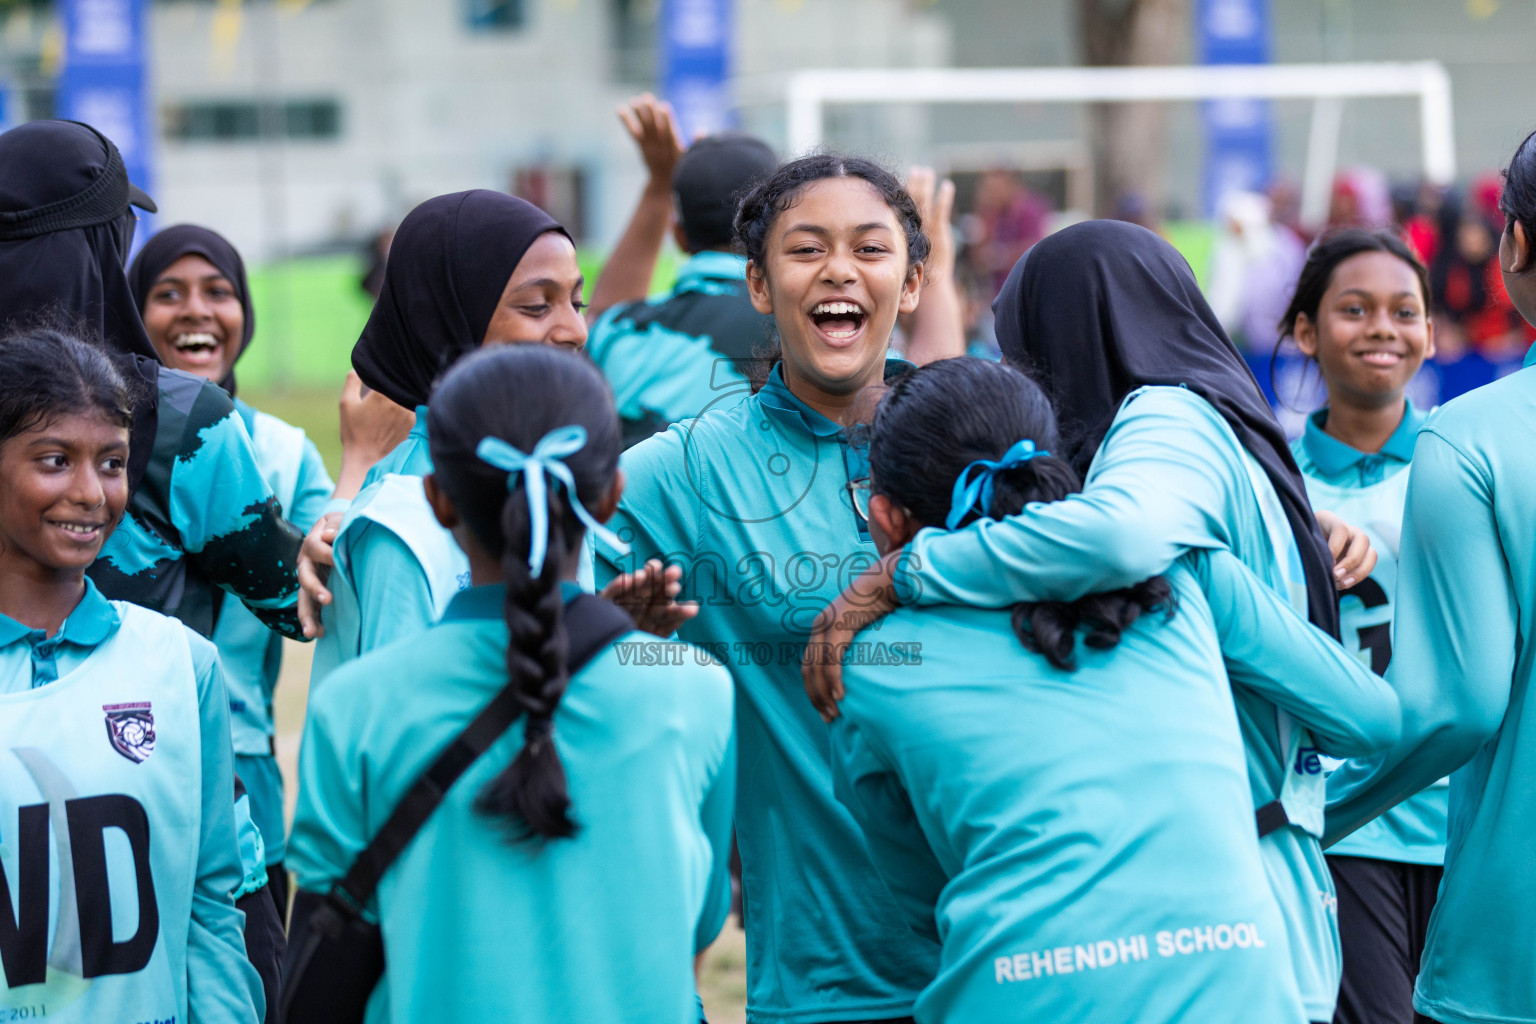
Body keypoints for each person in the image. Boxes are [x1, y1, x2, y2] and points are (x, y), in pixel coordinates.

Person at [804, 220, 1378, 1024]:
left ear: (887, 516)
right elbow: (1373, 719)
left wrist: (907, 571)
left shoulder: (1163, 436)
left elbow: (925, 894)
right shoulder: (1184, 551)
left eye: (1023, 355)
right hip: (1250, 958)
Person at [286, 344, 734, 1023]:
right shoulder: (695, 690)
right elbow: (698, 923)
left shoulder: (355, 708)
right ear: (611, 493)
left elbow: (326, 946)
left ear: (437, 497)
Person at [595, 154, 940, 1023]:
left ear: (912, 285)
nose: (838, 270)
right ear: (757, 283)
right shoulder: (684, 473)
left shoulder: (978, 444)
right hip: (827, 977)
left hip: (1015, 958)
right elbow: (535, 607)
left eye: (870, 248)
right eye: (805, 249)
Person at [127, 223, 410, 914]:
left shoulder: (279, 451)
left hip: (246, 769)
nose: (195, 309)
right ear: (133, 312)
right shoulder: (103, 438)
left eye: (217, 291)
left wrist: (357, 469)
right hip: (129, 759)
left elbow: (333, 594)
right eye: (168, 293)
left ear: (244, 316)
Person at [301, 189, 698, 679]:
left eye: (578, 302)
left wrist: (611, 640)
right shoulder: (399, 524)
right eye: (537, 306)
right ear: (447, 321)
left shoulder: (559, 475)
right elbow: (407, 738)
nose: (576, 330)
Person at [1323, 128, 1536, 1024]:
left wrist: (1306, 815)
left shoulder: (1474, 438)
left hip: (1510, 948)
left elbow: (1459, 703)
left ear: (1513, 245)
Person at [0, 326, 262, 1023]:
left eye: (112, 463)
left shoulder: (180, 663)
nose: (91, 492)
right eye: (55, 461)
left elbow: (210, 898)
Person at [0, 119, 306, 642]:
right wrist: (362, 464)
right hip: (145, 723)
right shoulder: (184, 418)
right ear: (105, 245)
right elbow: (298, 602)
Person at [1280, 229, 1443, 1024]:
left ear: (1430, 331)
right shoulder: (1267, 481)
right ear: (1306, 332)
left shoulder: (1466, 459)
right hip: (1343, 823)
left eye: (1403, 310)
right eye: (1355, 309)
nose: (1382, 327)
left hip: (1470, 824)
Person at [584, 98, 779, 447]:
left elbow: (599, 319)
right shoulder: (807, 328)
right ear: (779, 230)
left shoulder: (621, 330)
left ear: (678, 235)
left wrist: (659, 187)